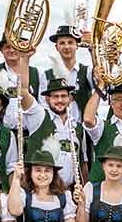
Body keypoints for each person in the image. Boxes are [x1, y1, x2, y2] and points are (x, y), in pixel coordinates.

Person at [19, 52, 82, 189]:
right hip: (40, 190)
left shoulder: (76, 126)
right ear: (47, 99)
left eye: (63, 96)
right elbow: (23, 91)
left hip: (69, 192)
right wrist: (24, 59)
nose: (60, 100)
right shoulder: (40, 116)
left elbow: (82, 162)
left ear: (70, 99)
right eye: (55, 96)